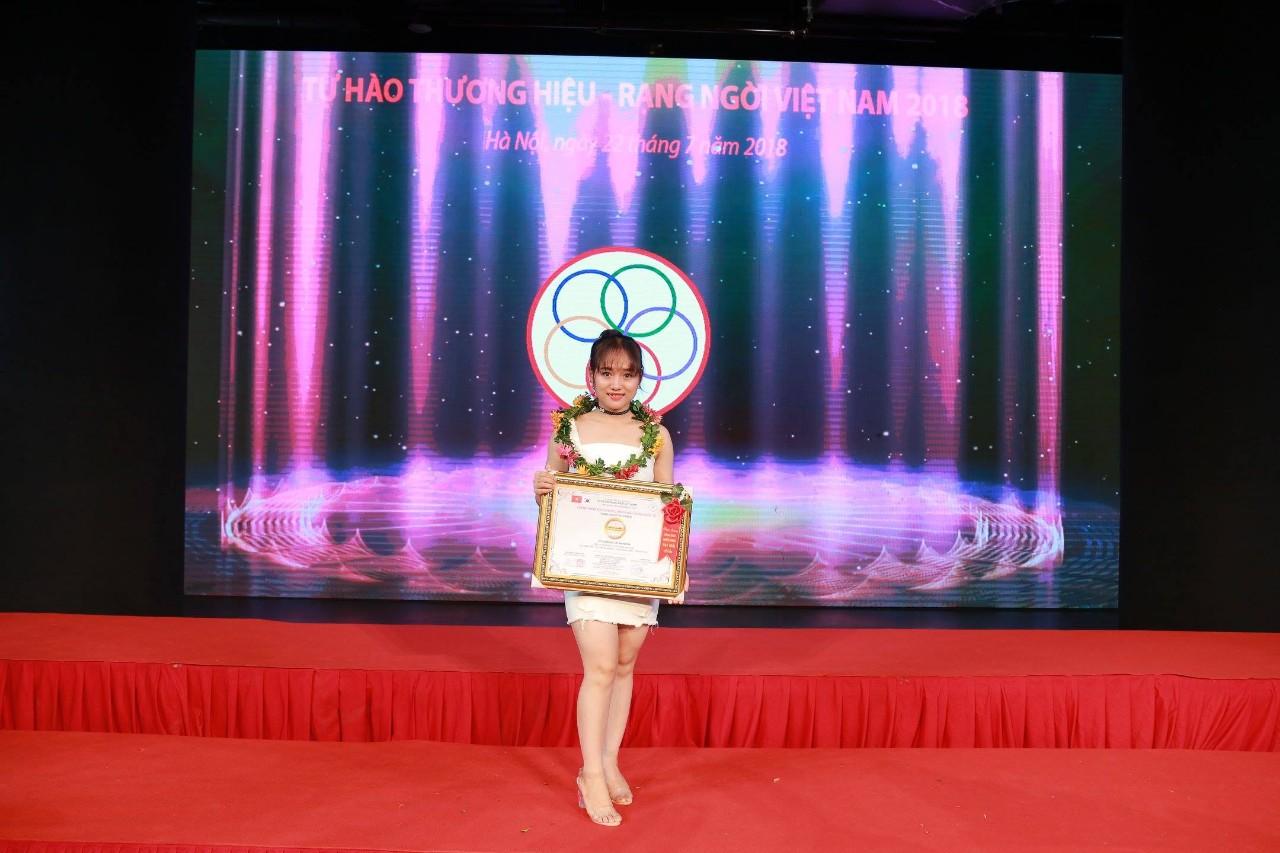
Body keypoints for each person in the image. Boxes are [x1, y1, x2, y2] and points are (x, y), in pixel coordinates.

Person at [531, 328, 688, 828]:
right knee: (599, 666)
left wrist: (673, 566)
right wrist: (541, 488)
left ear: (640, 379)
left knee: (623, 664)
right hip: (586, 568)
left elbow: (666, 508)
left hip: (635, 573)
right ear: (591, 376)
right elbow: (552, 496)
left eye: (627, 374)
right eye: (607, 373)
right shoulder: (569, 429)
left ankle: (610, 759)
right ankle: (590, 775)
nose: (616, 384)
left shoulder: (657, 435)